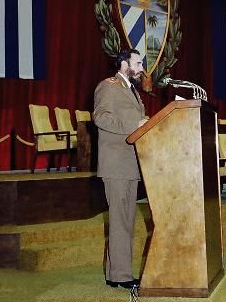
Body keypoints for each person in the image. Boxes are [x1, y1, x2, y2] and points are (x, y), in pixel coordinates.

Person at [93, 48, 147, 289]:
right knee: (120, 221)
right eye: (138, 63)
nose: (141, 68)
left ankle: (114, 274)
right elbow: (101, 117)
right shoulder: (109, 86)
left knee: (125, 221)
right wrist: (134, 124)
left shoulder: (132, 91)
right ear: (124, 63)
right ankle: (122, 276)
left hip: (130, 164)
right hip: (116, 164)